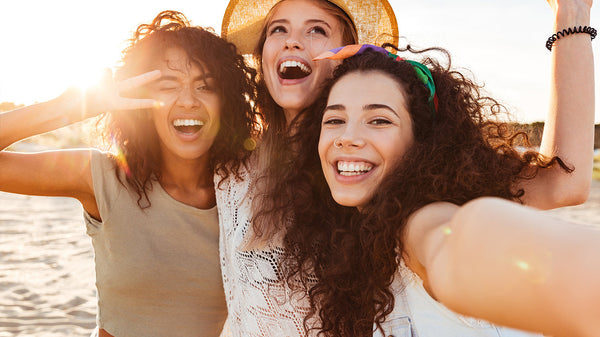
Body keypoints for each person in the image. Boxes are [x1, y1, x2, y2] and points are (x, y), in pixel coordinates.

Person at [216, 0, 595, 335]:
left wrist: (571, 12)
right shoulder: (236, 167)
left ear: (343, 59)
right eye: (277, 29)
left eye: (316, 29)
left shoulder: (413, 197)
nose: (292, 41)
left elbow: (459, 240)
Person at [304, 42, 600, 337]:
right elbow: (565, 182)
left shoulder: (420, 221)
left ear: (421, 143)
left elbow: (453, 245)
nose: (347, 137)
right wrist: (571, 12)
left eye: (379, 120)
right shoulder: (361, 239)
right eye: (335, 120)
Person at [0, 10, 258, 337]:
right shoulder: (103, 177)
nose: (189, 100)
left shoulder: (249, 193)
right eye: (168, 85)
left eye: (205, 86)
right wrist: (71, 107)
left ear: (227, 102)